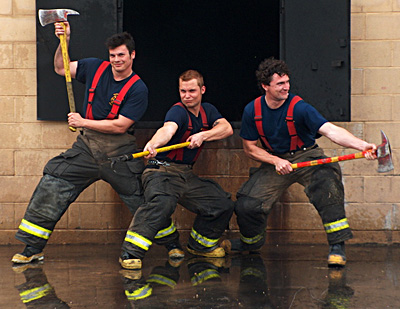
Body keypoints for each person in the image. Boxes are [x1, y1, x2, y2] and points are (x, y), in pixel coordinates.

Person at [11, 22, 149, 264]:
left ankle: (170, 245)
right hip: (86, 149)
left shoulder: (138, 88)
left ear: (132, 55)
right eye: (113, 55)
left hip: (119, 153)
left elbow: (121, 125)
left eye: (121, 55)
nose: (116, 60)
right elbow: (59, 68)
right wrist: (64, 40)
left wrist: (83, 121)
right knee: (53, 182)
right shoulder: (95, 67)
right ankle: (32, 248)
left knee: (142, 200)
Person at [221, 57, 377, 267]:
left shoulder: (300, 108)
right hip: (274, 160)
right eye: (280, 84)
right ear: (265, 86)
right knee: (247, 205)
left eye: (287, 82)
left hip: (307, 156)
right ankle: (251, 242)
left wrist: (362, 145)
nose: (286, 87)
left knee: (328, 186)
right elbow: (249, 148)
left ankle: (337, 247)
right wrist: (275, 160)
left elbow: (331, 131)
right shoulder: (252, 110)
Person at [119, 70, 235, 270]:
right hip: (160, 171)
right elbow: (167, 129)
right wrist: (153, 143)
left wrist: (203, 135)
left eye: (191, 91)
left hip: (185, 175)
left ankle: (200, 247)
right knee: (162, 203)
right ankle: (130, 252)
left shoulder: (208, 110)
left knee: (221, 204)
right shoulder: (178, 111)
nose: (187, 95)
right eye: (183, 91)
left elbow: (226, 128)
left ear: (202, 90)